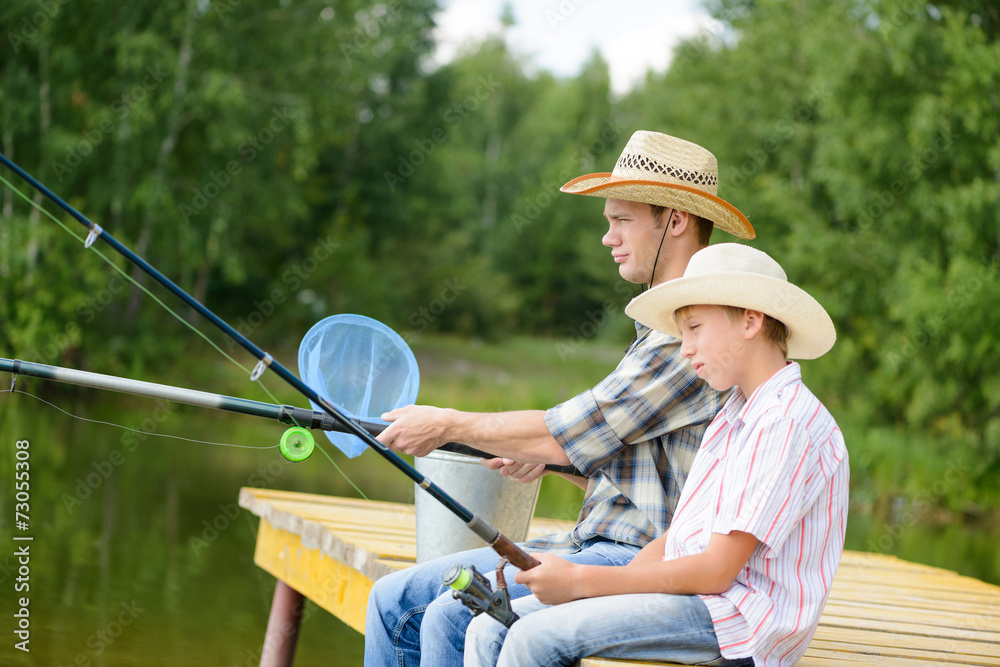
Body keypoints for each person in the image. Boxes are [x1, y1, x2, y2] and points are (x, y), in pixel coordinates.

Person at [364, 131, 756, 667]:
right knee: (391, 600)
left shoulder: (690, 339)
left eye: (622, 220)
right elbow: (650, 475)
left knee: (450, 613)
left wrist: (448, 423)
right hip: (591, 541)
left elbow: (572, 427)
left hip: (634, 559)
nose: (608, 236)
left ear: (674, 220)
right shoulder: (668, 327)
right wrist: (551, 465)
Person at [464, 243, 849, 667]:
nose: (685, 348)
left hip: (737, 619)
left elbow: (717, 571)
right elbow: (681, 535)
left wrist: (581, 580)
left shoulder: (784, 421)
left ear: (751, 321)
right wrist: (598, 583)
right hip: (700, 598)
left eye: (695, 328)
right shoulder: (734, 413)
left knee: (534, 637)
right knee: (491, 624)